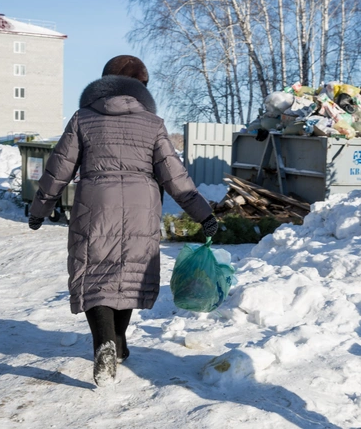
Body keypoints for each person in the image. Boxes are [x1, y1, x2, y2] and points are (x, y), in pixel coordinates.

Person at [27, 55, 218, 387]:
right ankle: (117, 342)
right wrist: (204, 214)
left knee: (94, 274)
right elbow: (177, 179)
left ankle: (104, 343)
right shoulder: (153, 124)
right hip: (141, 207)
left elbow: (57, 170)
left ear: (103, 84)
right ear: (140, 87)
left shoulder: (83, 119)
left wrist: (39, 208)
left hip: (95, 205)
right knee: (128, 275)